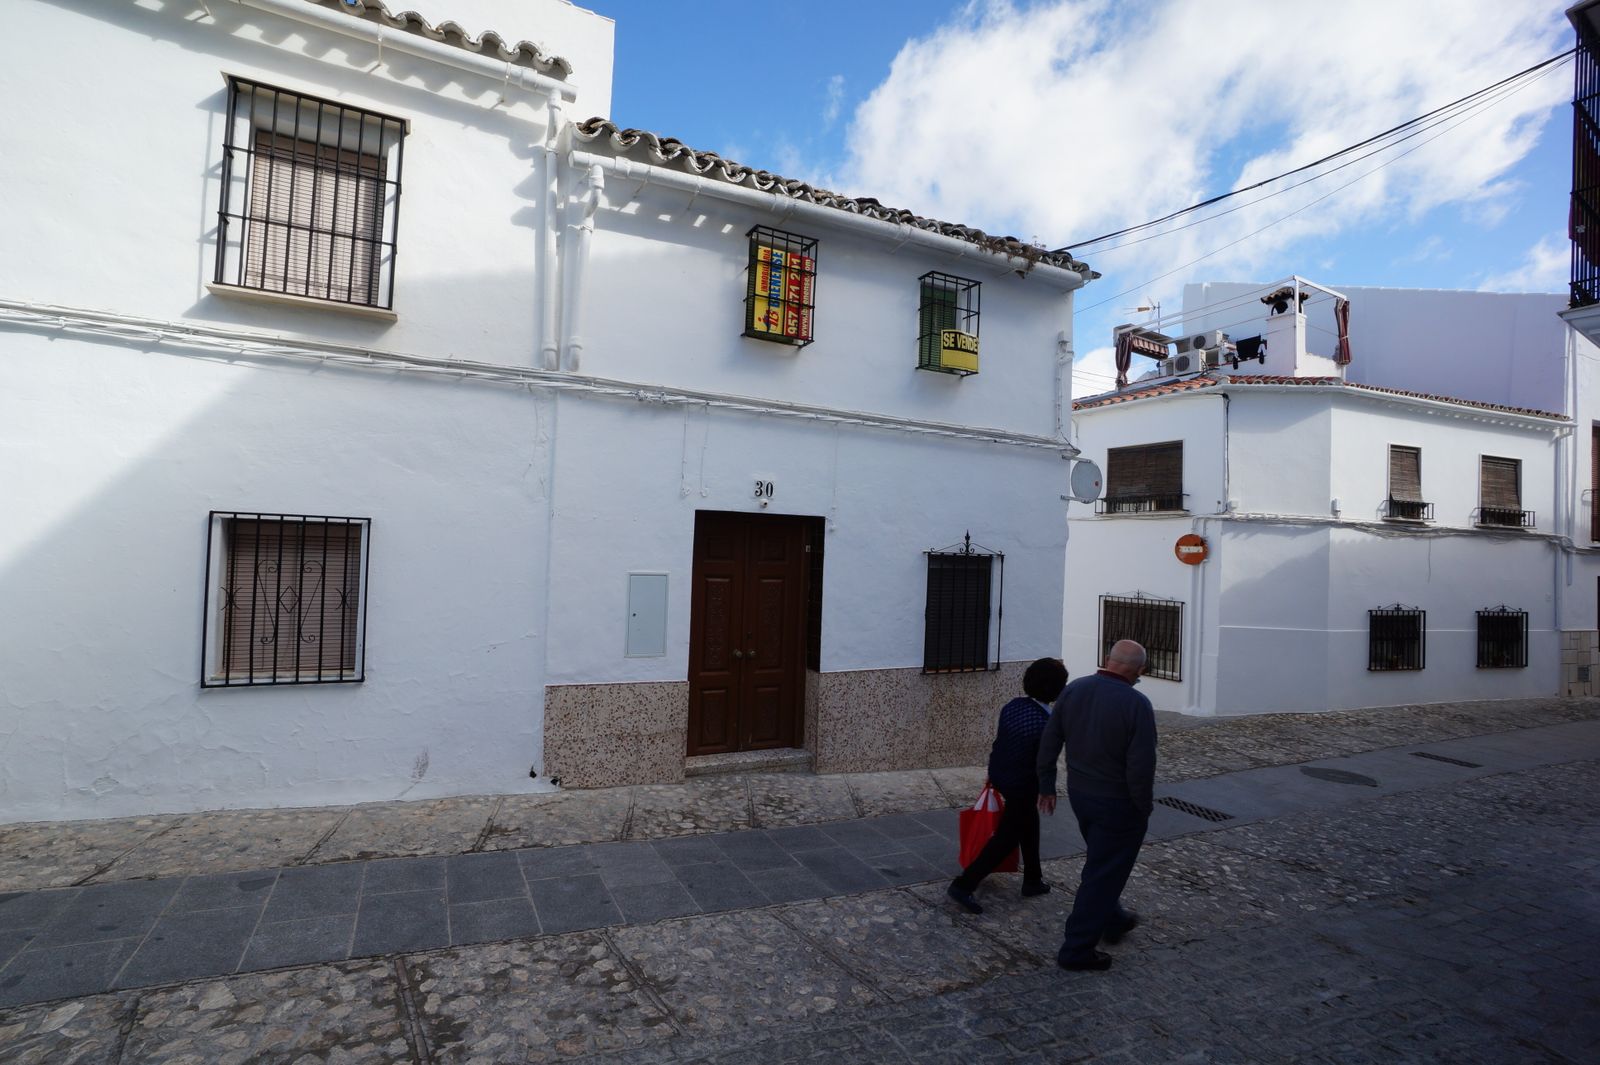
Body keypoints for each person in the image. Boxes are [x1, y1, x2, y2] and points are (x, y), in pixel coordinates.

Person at [1036, 639, 1157, 971]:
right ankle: (1076, 949)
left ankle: (1114, 918)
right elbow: (1141, 766)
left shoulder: (1074, 690)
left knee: (1104, 861)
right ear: (1139, 671)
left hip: (1081, 796)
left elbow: (1050, 739)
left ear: (1107, 660)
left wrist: (1046, 784)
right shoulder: (1137, 704)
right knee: (1102, 873)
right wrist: (1143, 807)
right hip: (1118, 803)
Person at [947, 657, 1069, 914]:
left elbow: (1000, 743)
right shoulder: (1047, 723)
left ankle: (1033, 879)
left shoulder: (1013, 706)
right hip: (1022, 784)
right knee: (1006, 837)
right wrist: (1048, 790)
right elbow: (1045, 763)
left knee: (1028, 823)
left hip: (1002, 775)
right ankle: (963, 884)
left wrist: (993, 773)